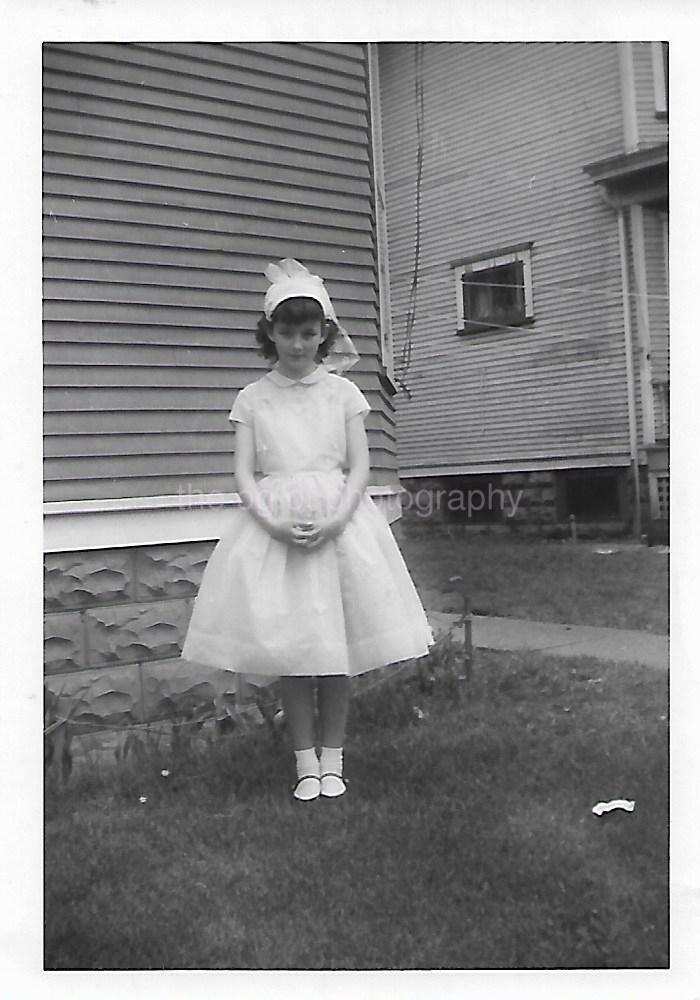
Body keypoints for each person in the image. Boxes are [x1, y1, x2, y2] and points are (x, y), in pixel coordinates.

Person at [181, 259, 434, 802]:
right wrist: (270, 522)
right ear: (269, 333)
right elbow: (245, 473)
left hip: (337, 522)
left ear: (325, 335)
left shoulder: (342, 394)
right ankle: (304, 762)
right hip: (277, 528)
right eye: (288, 333)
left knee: (333, 648)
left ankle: (334, 759)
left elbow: (359, 466)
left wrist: (340, 516)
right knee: (294, 650)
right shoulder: (253, 398)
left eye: (309, 333)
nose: (298, 345)